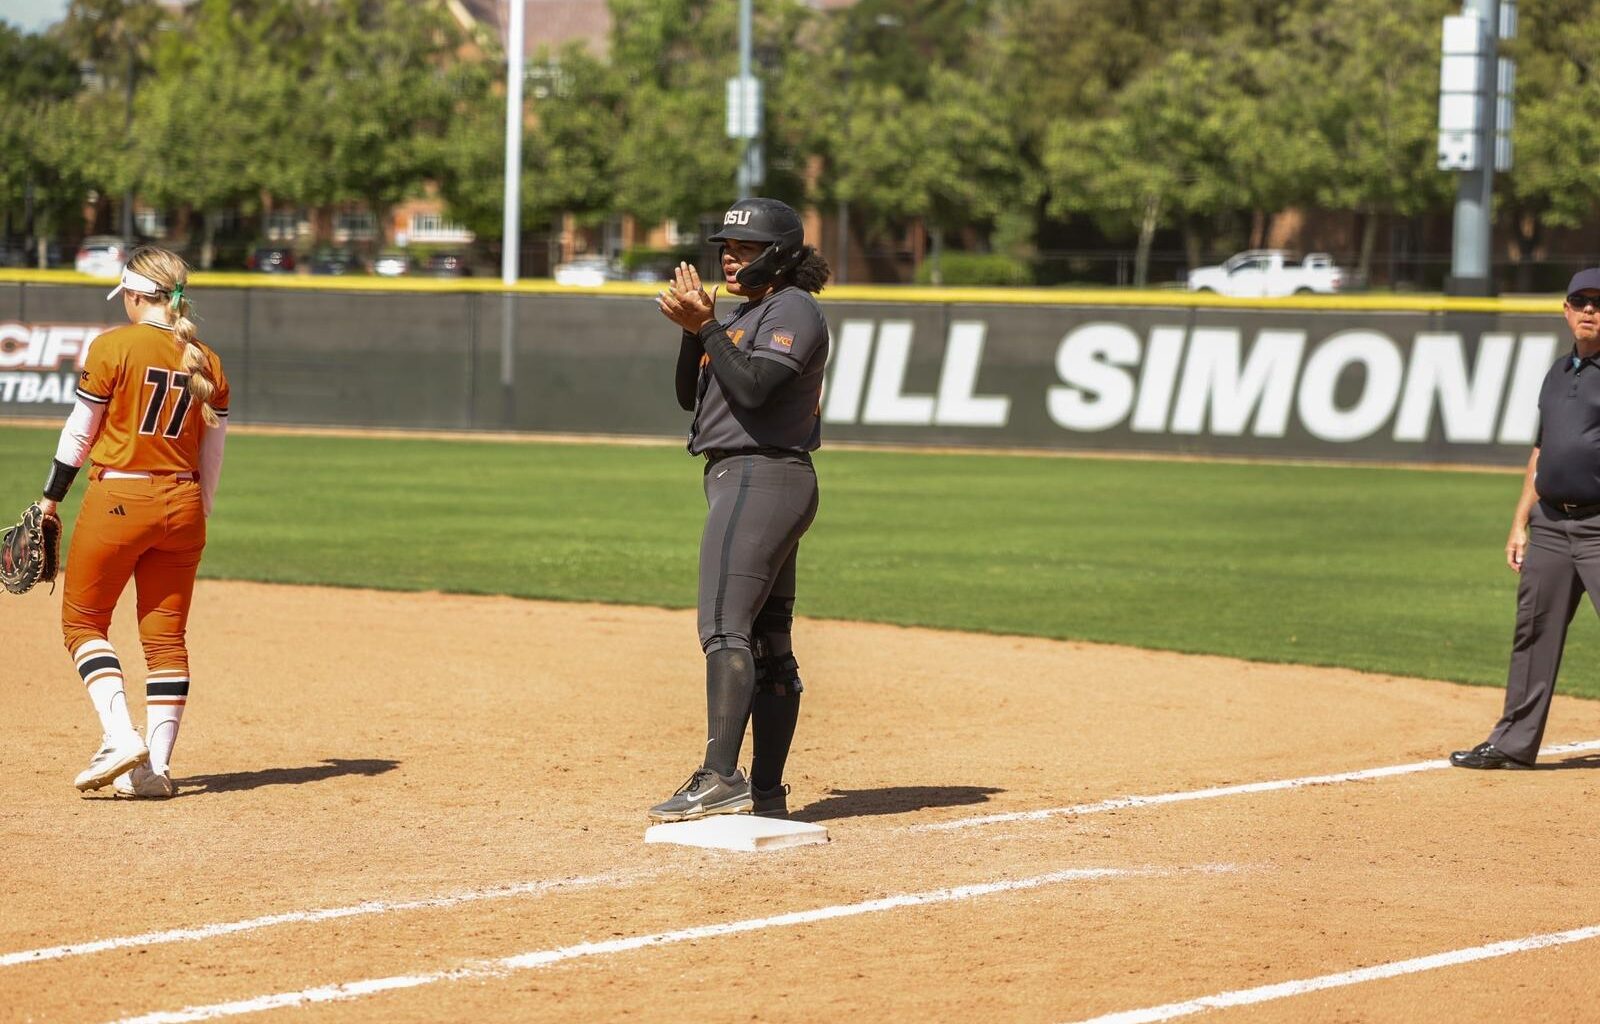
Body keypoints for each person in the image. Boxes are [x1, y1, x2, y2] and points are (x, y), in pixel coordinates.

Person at [648, 197, 830, 822]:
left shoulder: (793, 310)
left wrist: (706, 327)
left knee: (725, 628)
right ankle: (768, 794)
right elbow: (687, 396)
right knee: (767, 640)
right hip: (752, 479)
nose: (729, 256)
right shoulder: (747, 316)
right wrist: (693, 330)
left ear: (779, 256)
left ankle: (721, 776)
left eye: (745, 248)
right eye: (725, 246)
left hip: (761, 475)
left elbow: (754, 388)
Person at [38, 245, 229, 798]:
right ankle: (155, 773)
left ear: (137, 296)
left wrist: (50, 499)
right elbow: (211, 459)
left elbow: (79, 434)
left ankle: (122, 737)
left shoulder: (113, 347)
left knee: (83, 624)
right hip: (185, 506)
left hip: (119, 499)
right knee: (166, 640)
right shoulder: (207, 360)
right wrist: (198, 514)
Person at [1451, 268, 1600, 770]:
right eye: (1580, 300)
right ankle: (1513, 741)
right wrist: (1520, 521)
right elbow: (1541, 451)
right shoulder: (1557, 374)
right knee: (1533, 631)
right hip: (1552, 526)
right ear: (1565, 309)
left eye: (1598, 303)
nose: (1589, 310)